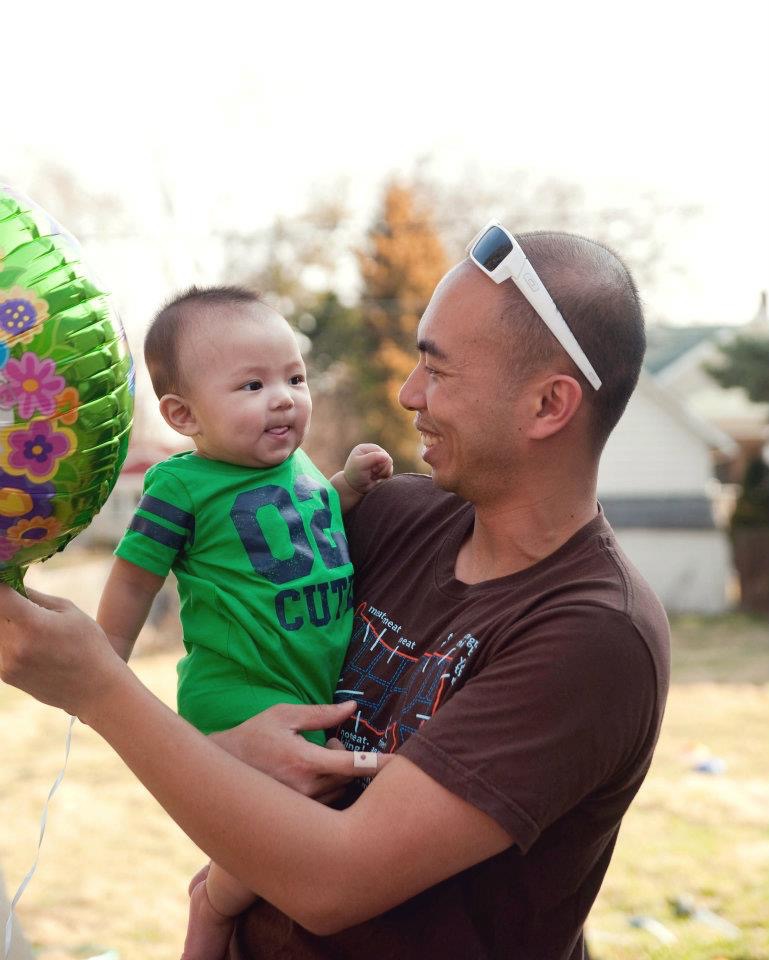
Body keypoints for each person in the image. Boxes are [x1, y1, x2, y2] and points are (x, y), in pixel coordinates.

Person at [0, 228, 670, 960]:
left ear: (547, 404)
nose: (409, 394)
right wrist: (223, 753)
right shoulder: (390, 516)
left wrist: (101, 689)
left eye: (438, 372)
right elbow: (247, 755)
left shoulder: (593, 636)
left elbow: (334, 882)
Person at [96, 285, 392, 957]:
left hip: (304, 683)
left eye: (295, 377)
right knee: (289, 819)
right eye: (252, 384)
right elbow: (136, 574)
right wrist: (105, 656)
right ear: (183, 414)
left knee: (306, 819)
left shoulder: (297, 464)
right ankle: (213, 910)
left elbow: (314, 520)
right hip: (237, 689)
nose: (284, 397)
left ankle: (223, 893)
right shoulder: (181, 485)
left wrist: (348, 483)